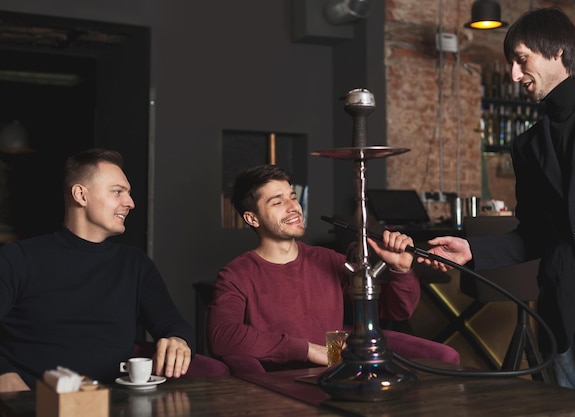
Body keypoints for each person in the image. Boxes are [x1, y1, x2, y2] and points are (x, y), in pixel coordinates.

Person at [420, 8, 575, 398]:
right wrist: (471, 249)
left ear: (558, 52)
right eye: (511, 65)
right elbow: (534, 233)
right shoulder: (527, 145)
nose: (515, 75)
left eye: (521, 59)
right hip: (562, 313)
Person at [207, 164, 459, 372]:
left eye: (292, 197)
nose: (293, 207)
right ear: (252, 218)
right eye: (277, 202)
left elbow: (394, 310)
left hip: (342, 377)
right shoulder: (237, 274)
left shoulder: (328, 260)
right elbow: (222, 335)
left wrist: (401, 271)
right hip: (278, 389)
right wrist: (308, 349)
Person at [0, 148, 196, 392]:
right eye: (117, 192)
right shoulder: (18, 258)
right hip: (35, 404)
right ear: (81, 195)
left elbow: (174, 324)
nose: (130, 203)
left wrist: (178, 340)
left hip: (115, 403)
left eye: (128, 193)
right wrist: (4, 374)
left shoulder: (134, 264)